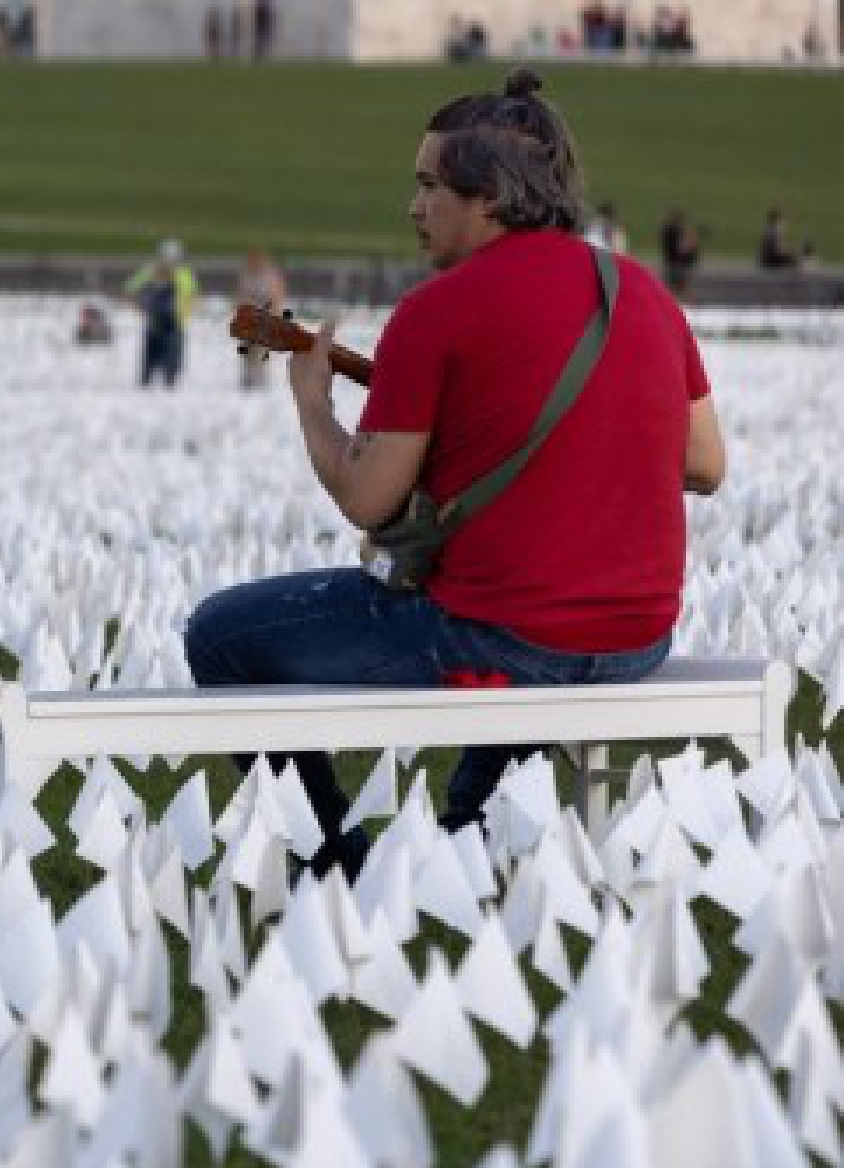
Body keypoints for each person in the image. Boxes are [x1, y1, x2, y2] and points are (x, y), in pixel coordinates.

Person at [183, 67, 725, 877]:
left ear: (491, 196)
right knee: (518, 610)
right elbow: (706, 465)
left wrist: (313, 405)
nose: (415, 206)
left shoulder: (436, 312)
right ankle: (469, 827)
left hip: (505, 637)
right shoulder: (640, 292)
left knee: (221, 636)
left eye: (431, 185)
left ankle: (338, 857)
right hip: (638, 635)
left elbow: (370, 499)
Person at [124, 238, 199, 388]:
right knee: (150, 358)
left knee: (172, 360)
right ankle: (146, 383)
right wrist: (140, 308)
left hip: (174, 322)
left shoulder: (184, 274)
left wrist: (183, 314)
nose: (169, 263)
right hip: (155, 320)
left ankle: (168, 383)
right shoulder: (149, 271)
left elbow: (193, 296)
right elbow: (130, 290)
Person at [236, 247, 289, 391]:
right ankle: (248, 378)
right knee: (247, 351)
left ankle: (260, 379)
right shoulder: (247, 276)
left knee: (261, 350)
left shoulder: (271, 277)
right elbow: (241, 297)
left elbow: (277, 298)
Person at [658, 207, 701, 298]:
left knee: (672, 289)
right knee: (680, 288)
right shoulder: (674, 232)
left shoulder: (668, 230)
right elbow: (682, 248)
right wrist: (692, 241)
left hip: (672, 263)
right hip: (678, 264)